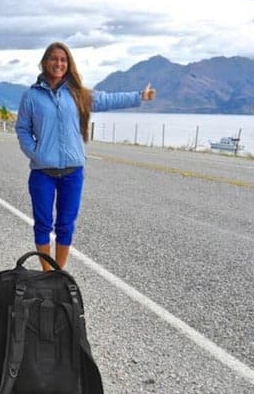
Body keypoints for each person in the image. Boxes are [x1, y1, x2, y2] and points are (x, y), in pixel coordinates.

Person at [15, 41, 153, 270]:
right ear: (45, 62)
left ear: (68, 64)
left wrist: (140, 96)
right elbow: (22, 128)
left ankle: (59, 273)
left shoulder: (78, 94)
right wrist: (35, 153)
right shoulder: (31, 96)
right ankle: (46, 272)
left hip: (73, 171)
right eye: (54, 59)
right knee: (42, 224)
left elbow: (109, 100)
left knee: (66, 225)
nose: (58, 63)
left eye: (63, 59)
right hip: (43, 172)